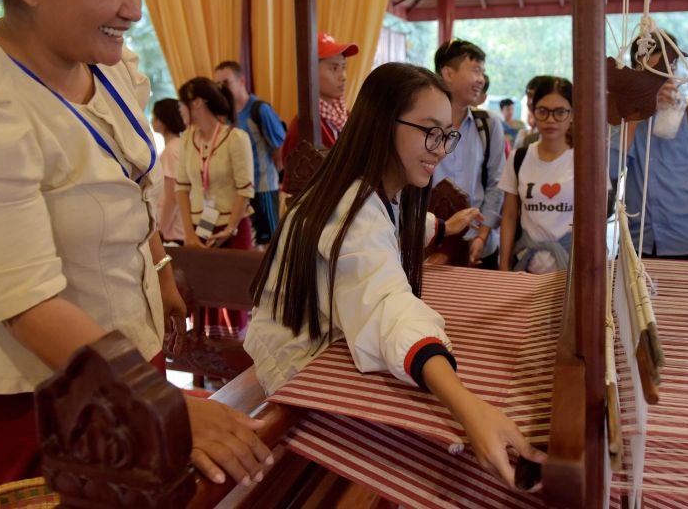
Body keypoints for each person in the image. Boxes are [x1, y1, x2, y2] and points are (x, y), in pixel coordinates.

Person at [0, 0, 270, 491]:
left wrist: (160, 270)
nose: (134, 9)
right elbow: (27, 304)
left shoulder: (113, 68)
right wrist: (165, 403)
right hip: (47, 392)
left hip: (128, 356)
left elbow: (130, 183)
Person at [244, 62, 546, 490]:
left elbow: (391, 228)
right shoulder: (352, 207)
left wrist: (442, 227)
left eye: (446, 134)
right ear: (384, 123)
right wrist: (466, 404)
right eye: (429, 131)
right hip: (299, 379)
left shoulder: (362, 188)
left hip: (311, 355)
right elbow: (386, 303)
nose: (441, 149)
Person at [616, 33, 688, 261]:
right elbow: (609, 170)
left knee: (684, 297)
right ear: (636, 72)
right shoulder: (621, 114)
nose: (662, 79)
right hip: (636, 239)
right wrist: (638, 114)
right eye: (651, 73)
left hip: (686, 237)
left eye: (668, 69)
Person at [432, 39, 506, 268]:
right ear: (448, 73)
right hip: (430, 241)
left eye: (483, 72)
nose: (481, 80)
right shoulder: (423, 123)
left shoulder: (489, 124)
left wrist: (482, 236)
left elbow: (496, 183)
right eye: (475, 70)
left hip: (479, 243)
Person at [499, 77, 574, 273]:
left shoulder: (586, 162)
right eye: (543, 111)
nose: (550, 119)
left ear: (572, 114)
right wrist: (504, 266)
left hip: (572, 267)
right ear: (534, 112)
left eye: (560, 112)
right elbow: (509, 216)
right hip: (526, 265)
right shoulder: (519, 158)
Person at [176, 77, 255, 249]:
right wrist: (189, 233)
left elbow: (245, 189)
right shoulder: (187, 140)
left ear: (197, 103)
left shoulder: (236, 138)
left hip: (233, 229)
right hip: (199, 229)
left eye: (181, 103)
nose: (180, 109)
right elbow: (181, 188)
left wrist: (230, 228)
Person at [214, 60, 285, 246]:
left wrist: (275, 176)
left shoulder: (259, 109)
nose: (222, 88)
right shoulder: (225, 117)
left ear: (241, 81)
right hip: (240, 192)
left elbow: (279, 146)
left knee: (270, 241)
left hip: (263, 187)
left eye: (226, 82)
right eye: (218, 84)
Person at [279, 31, 358, 171]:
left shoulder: (347, 116)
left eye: (343, 67)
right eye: (334, 68)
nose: (343, 76)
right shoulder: (304, 126)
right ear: (310, 72)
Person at [152, 98, 187, 244]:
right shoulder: (180, 146)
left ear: (162, 121)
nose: (152, 120)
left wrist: (161, 231)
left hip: (173, 230)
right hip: (178, 226)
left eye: (155, 117)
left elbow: (172, 198)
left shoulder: (171, 151)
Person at [514, 75, 548, 149]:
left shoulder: (553, 131)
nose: (531, 101)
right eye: (529, 96)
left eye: (536, 96)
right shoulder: (523, 134)